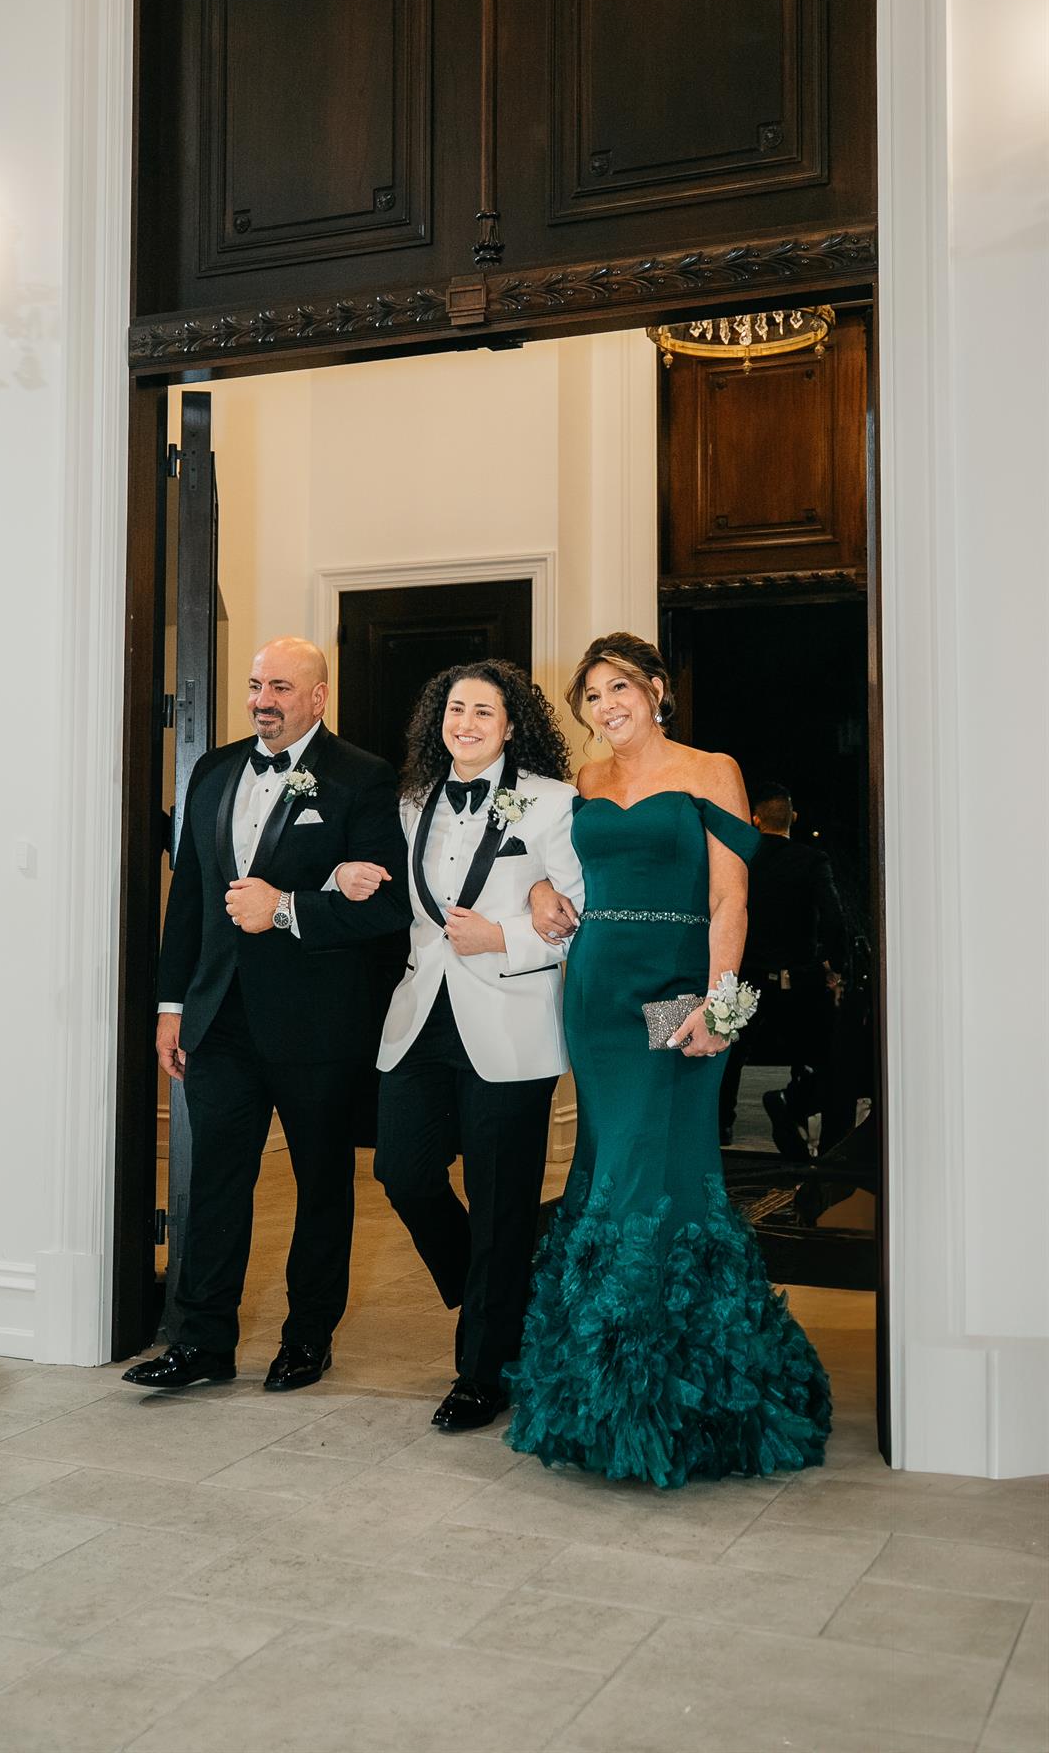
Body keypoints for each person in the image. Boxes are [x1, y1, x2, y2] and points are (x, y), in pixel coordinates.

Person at [509, 632, 830, 1484]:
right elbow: (551, 868)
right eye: (591, 695)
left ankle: (668, 1393)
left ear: (655, 689)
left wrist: (720, 1005)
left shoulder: (710, 770)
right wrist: (538, 890)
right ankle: (598, 1388)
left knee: (654, 1166)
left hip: (677, 987)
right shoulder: (585, 782)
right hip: (597, 992)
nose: (605, 705)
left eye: (619, 687)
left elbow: (731, 896)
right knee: (607, 1165)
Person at [124, 637, 409, 1393]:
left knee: (321, 1186)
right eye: (256, 686)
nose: (262, 701)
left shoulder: (364, 777)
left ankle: (307, 1337)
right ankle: (201, 1343)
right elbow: (190, 897)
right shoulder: (214, 771)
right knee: (214, 1184)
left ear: (319, 696)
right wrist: (172, 1004)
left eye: (280, 686)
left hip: (319, 1024)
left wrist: (284, 908)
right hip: (219, 1018)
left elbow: (387, 910)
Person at [355, 660, 585, 1432]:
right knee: (401, 1170)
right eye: (456, 709)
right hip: (420, 1015)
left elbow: (578, 914)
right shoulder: (411, 802)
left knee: (500, 1202)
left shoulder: (552, 801)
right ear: (438, 719)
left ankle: (483, 1374)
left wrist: (505, 935)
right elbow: (395, 895)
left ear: (511, 725)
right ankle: (496, 1287)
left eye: (484, 711)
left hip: (511, 1020)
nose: (467, 723)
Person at [719, 781, 848, 1157]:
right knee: (812, 1053)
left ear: (755, 819)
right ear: (793, 816)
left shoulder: (740, 860)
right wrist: (835, 964)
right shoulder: (812, 860)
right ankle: (801, 1114)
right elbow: (834, 917)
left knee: (731, 1054)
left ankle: (722, 1124)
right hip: (798, 974)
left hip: (746, 973)